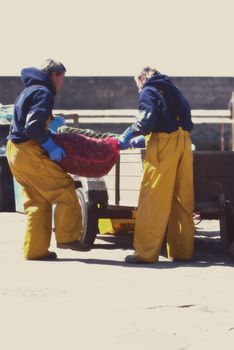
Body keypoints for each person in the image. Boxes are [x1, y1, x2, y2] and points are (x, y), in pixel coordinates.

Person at [6, 59, 89, 260]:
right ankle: (68, 238)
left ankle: (36, 250)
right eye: (62, 79)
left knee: (38, 202)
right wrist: (50, 146)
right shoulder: (43, 92)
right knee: (65, 189)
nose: (61, 84)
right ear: (54, 75)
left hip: (15, 151)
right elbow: (33, 126)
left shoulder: (29, 90)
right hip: (29, 151)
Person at [118, 67, 195, 264]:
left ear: (143, 78)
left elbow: (146, 121)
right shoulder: (173, 90)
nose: (138, 90)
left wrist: (129, 134)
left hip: (164, 145)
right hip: (184, 143)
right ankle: (182, 250)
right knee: (182, 198)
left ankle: (145, 253)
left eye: (138, 85)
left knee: (153, 198)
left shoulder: (149, 90)